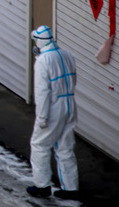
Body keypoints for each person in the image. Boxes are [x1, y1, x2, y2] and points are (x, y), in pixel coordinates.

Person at [27, 25, 80, 200]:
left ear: (39, 41)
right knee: (65, 147)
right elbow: (74, 79)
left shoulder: (43, 60)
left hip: (53, 107)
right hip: (70, 104)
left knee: (40, 145)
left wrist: (42, 117)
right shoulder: (67, 55)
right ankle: (71, 188)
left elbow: (43, 92)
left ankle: (42, 186)